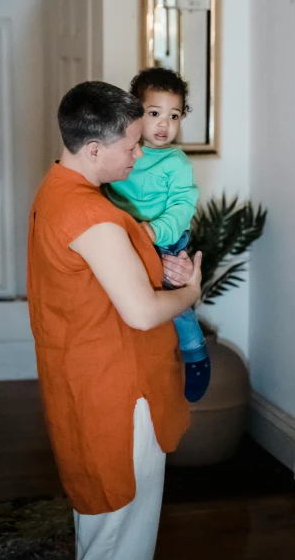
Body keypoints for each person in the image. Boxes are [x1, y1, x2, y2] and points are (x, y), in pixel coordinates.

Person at [27, 80, 201, 560]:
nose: (139, 156)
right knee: (120, 536)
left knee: (104, 528)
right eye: (131, 145)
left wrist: (163, 266)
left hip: (85, 379)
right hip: (118, 391)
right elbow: (142, 313)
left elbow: (107, 280)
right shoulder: (91, 214)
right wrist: (191, 291)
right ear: (95, 148)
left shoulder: (57, 190)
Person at [103, 67, 210, 403]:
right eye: (154, 113)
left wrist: (153, 230)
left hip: (164, 239)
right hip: (127, 237)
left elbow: (182, 207)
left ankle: (195, 353)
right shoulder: (119, 150)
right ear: (135, 113)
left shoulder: (175, 162)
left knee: (171, 298)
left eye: (174, 116)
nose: (165, 125)